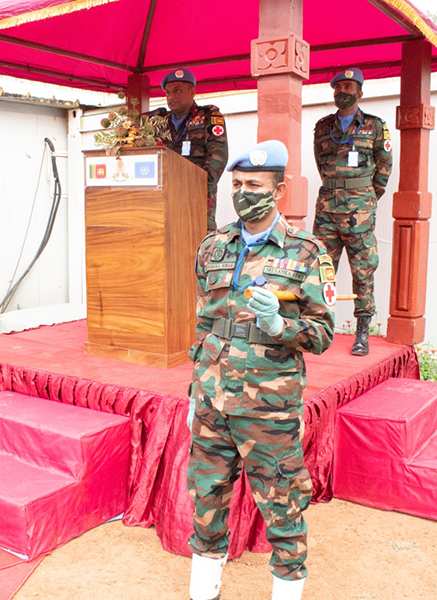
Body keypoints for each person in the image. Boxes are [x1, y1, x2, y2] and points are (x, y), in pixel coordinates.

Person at [187, 140, 335, 600]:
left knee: (283, 510)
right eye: (236, 185)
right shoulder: (213, 246)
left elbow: (322, 333)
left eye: (253, 184)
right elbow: (204, 325)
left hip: (267, 409)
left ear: (280, 190)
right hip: (213, 403)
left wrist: (279, 324)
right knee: (205, 502)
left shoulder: (307, 253)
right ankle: (203, 591)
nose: (243, 192)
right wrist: (194, 391)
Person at [312, 67, 392, 356]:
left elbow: (383, 169)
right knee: (321, 268)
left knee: (363, 269)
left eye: (349, 86)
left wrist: (366, 197)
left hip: (360, 210)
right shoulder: (323, 127)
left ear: (360, 92)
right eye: (338, 87)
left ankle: (362, 332)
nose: (342, 91)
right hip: (327, 209)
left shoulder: (375, 125)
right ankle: (321, 326)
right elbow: (322, 166)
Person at [147, 67, 228, 231]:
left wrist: (194, 190)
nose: (171, 97)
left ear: (192, 92)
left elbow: (218, 157)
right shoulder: (158, 122)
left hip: (196, 203)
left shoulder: (208, 117)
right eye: (167, 92)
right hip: (164, 203)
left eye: (177, 91)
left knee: (198, 250)